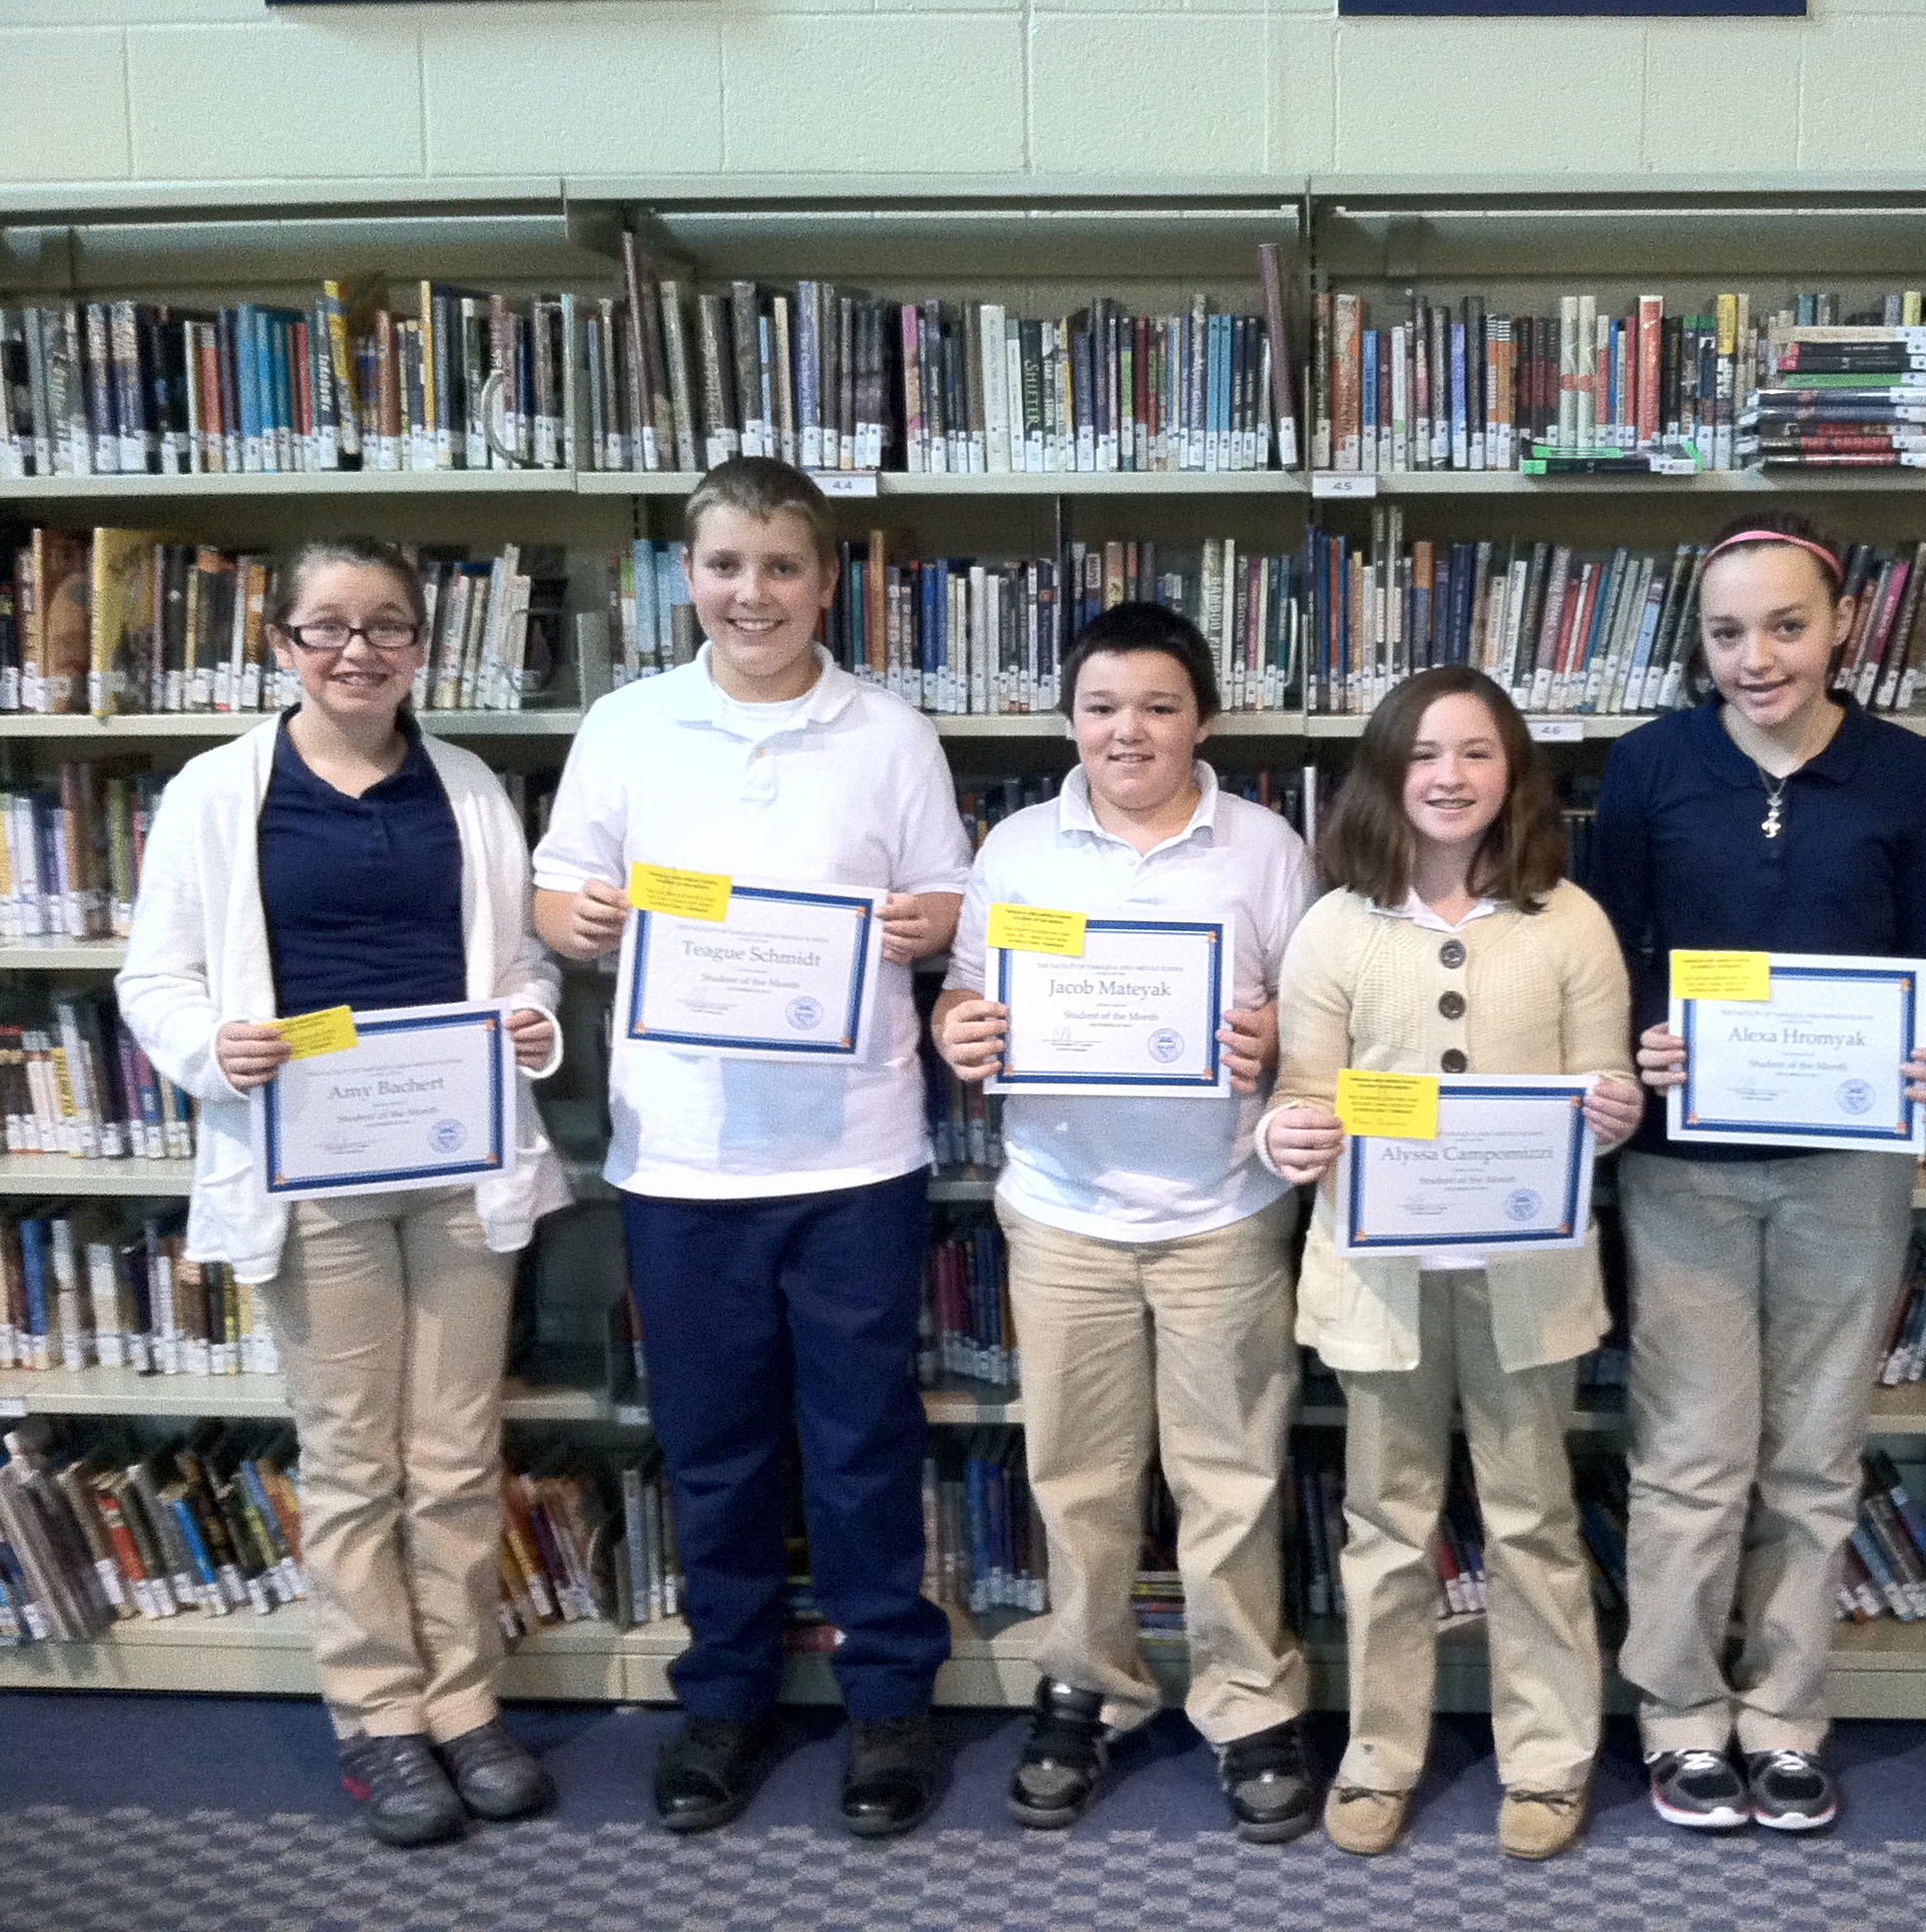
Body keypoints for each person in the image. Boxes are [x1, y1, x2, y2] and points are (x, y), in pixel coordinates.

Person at [531, 455, 968, 1840]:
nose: (752, 593)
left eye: (782, 566)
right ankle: (726, 1695)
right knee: (713, 1447)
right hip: (684, 1158)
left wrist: (927, 924)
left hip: (854, 1155)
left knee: (861, 1440)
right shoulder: (628, 724)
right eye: (725, 565)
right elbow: (555, 888)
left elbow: (949, 895)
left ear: (826, 581)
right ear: (688, 575)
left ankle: (887, 1697)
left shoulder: (889, 732)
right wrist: (574, 921)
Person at [118, 534, 572, 1847]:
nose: (357, 650)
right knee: (353, 1457)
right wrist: (214, 1048)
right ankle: (381, 1718)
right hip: (310, 1167)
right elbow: (154, 976)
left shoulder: (469, 788)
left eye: (386, 626)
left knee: (455, 1452)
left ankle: (465, 1702)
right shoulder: (217, 793)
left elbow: (521, 960)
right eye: (327, 626)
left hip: (458, 1157)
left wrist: (531, 1017)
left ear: (423, 645)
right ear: (281, 644)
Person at [1589, 514, 1926, 1836]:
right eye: (1728, 632)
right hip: (1686, 1163)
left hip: (1847, 1164)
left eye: (1787, 627)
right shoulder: (1650, 765)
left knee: (1814, 1453)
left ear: (1842, 624)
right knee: (1693, 1453)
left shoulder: (1908, 774)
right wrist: (1637, 1032)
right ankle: (1682, 1714)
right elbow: (1609, 943)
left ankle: (1788, 1714)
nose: (1758, 657)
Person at [931, 602, 1319, 1841]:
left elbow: (1316, 1015)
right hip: (1063, 1212)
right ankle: (1086, 1688)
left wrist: (1277, 1040)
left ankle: (1248, 1699)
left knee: (1231, 1476)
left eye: (1158, 705)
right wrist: (960, 1032)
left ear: (1203, 719)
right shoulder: (1015, 851)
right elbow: (965, 999)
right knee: (1078, 1477)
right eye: (1102, 707)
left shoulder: (1264, 847)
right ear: (1070, 721)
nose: (1128, 730)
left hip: (1224, 1210)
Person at [1259, 665, 1640, 1863]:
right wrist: (1286, 1137)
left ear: (1513, 773)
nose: (1450, 776)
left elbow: (1604, 1082)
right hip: (1382, 1277)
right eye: (1424, 754)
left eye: (1477, 752)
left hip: (1528, 1276)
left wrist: (1614, 1108)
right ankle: (1379, 1754)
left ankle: (1547, 1758)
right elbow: (1299, 1097)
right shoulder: (1335, 925)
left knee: (1534, 1518)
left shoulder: (1570, 920)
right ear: (1386, 773)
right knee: (1385, 1521)